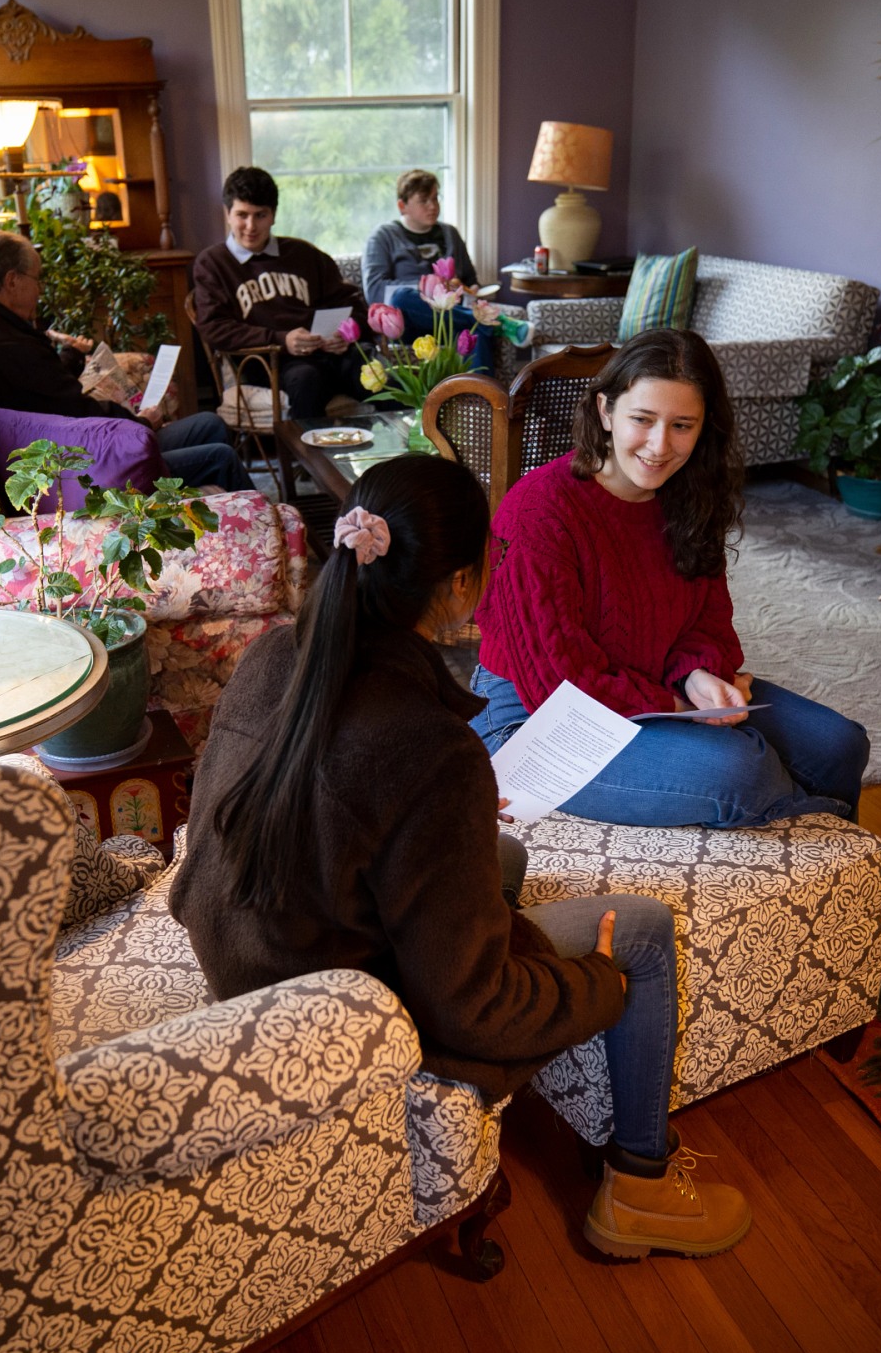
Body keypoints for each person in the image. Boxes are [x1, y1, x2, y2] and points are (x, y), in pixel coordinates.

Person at [170, 453, 752, 1260]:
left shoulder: (276, 657)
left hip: (246, 957)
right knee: (644, 932)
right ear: (457, 586)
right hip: (333, 1009)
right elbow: (467, 1007)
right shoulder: (427, 745)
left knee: (502, 851)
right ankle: (640, 1190)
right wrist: (594, 983)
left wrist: (454, 819)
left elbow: (328, 805)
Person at [471, 329, 870, 829]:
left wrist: (698, 673)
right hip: (539, 715)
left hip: (651, 680)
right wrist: (677, 704)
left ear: (704, 428)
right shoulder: (537, 510)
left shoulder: (689, 497)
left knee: (839, 744)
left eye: (682, 425)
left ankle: (828, 862)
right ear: (605, 412)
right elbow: (558, 679)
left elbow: (707, 620)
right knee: (742, 768)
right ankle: (811, 838)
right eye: (642, 419)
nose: (660, 446)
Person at [0, 229, 253, 492]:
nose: (39, 291)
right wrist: (141, 423)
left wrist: (73, 356)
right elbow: (77, 413)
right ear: (12, 281)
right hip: (85, 466)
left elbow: (42, 389)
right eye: (36, 280)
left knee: (210, 424)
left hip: (74, 446)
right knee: (221, 456)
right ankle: (269, 541)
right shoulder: (5, 346)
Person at [192, 166, 369, 419]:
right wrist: (281, 339)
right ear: (228, 214)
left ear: (273, 215)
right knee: (308, 379)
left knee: (376, 375)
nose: (250, 226)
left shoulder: (304, 255)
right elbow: (214, 328)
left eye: (260, 215)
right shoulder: (213, 263)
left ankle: (407, 455)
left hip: (329, 354)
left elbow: (352, 303)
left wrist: (345, 332)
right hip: (270, 363)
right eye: (242, 215)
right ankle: (311, 458)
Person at [361, 169, 528, 373]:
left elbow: (470, 279)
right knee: (400, 297)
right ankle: (493, 321)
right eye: (424, 201)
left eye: (435, 198)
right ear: (402, 206)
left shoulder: (450, 233)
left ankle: (482, 399)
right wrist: (431, 287)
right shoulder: (383, 236)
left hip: (450, 321)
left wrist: (471, 289)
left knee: (474, 332)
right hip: (410, 322)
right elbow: (375, 291)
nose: (433, 206)